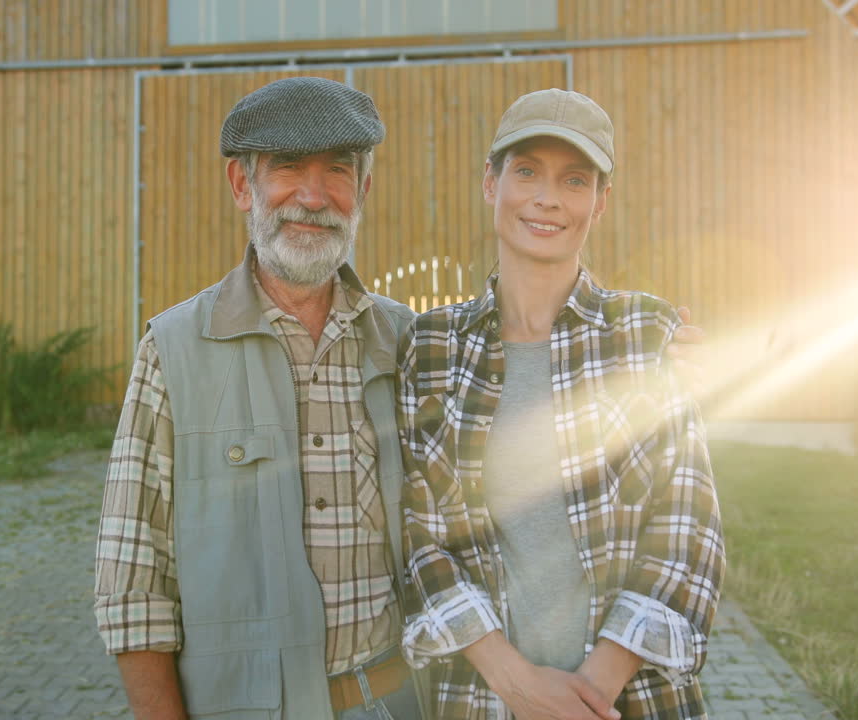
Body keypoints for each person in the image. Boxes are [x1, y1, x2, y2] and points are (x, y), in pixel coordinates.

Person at [93, 77, 708, 720]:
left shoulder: (404, 341)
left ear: (363, 190)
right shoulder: (174, 350)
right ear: (243, 185)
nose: (312, 195)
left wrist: (665, 359)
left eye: (338, 170)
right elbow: (132, 587)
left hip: (401, 702)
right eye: (287, 168)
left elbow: (669, 522)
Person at [397, 88, 725, 720]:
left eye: (574, 180)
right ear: (490, 183)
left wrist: (591, 693)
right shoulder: (433, 346)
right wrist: (518, 684)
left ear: (599, 203)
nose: (547, 198)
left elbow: (687, 524)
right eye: (527, 172)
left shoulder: (646, 334)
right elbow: (421, 536)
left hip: (629, 700)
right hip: (481, 698)